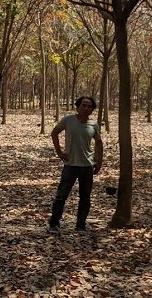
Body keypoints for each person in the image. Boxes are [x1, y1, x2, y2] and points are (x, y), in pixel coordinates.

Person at [48, 95, 103, 234]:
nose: (86, 108)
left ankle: (80, 225)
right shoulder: (68, 120)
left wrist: (99, 161)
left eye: (89, 106)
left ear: (92, 110)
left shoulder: (94, 125)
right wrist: (59, 152)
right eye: (83, 105)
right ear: (78, 106)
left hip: (87, 166)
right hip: (71, 165)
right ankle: (54, 224)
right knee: (61, 195)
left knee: (85, 197)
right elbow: (54, 133)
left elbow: (98, 142)